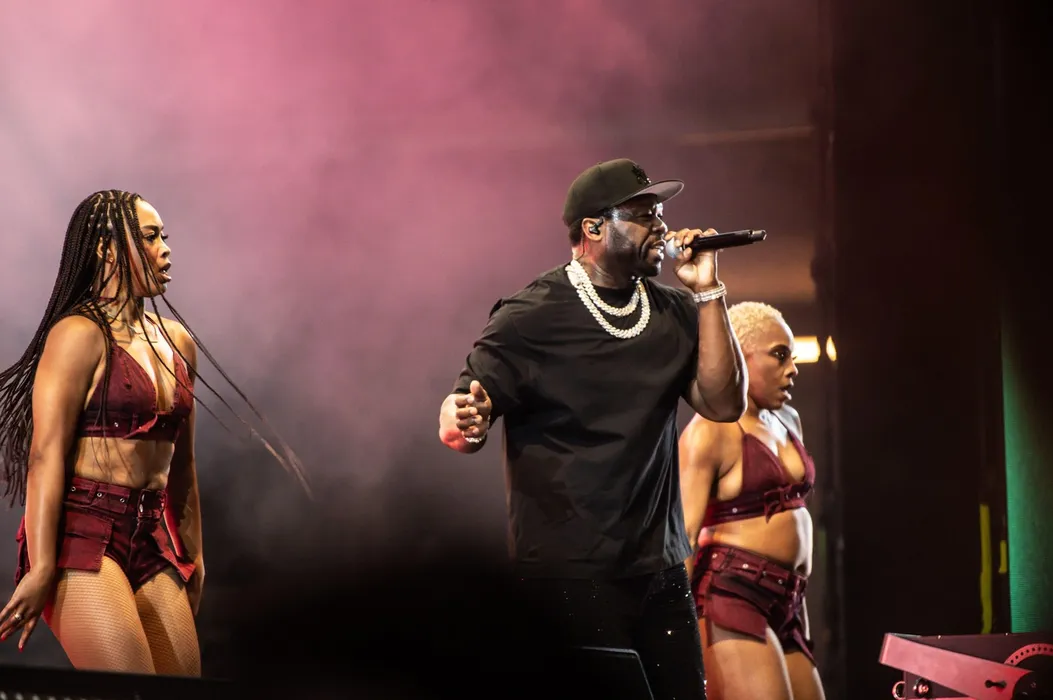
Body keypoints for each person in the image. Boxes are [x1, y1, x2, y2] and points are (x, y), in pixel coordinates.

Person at [438, 158, 747, 700]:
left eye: (660, 212)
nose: (661, 226)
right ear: (594, 227)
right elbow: (460, 417)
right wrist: (465, 418)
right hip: (569, 578)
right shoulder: (530, 316)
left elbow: (724, 405)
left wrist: (709, 291)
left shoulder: (675, 310)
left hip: (659, 571)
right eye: (644, 214)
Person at [0, 189, 307, 675]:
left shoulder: (177, 341)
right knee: (132, 689)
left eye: (164, 236)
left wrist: (194, 553)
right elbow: (45, 456)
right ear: (107, 249)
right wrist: (40, 567)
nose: (165, 250)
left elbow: (182, 465)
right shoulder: (78, 334)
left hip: (152, 536)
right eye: (150, 237)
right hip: (84, 531)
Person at [679, 301, 826, 700]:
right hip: (732, 596)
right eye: (779, 355)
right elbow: (685, 536)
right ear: (738, 355)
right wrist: (672, 633)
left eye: (792, 357)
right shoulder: (710, 430)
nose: (792, 369)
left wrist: (800, 615)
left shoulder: (788, 420)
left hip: (789, 602)